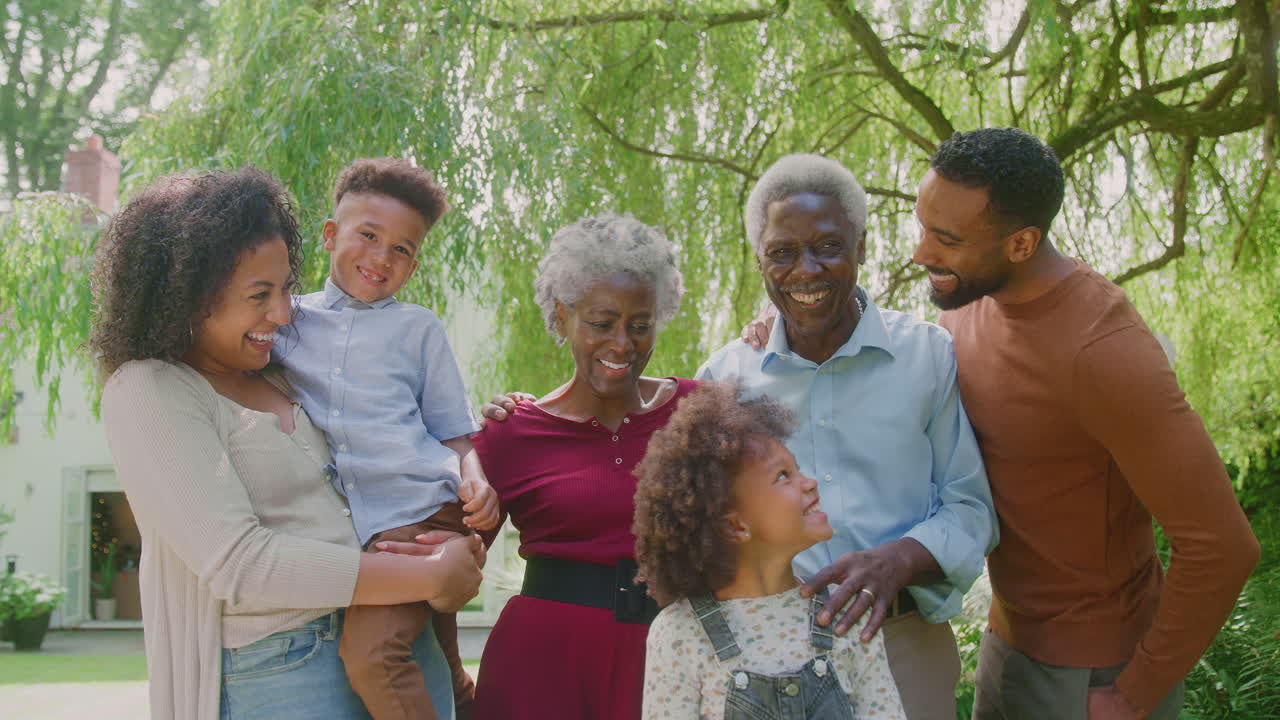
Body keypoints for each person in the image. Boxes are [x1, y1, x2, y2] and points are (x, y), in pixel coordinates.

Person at [92, 167, 484, 720]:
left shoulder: (283, 369)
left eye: (284, 288)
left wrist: (447, 544)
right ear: (189, 294)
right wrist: (428, 574)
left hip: (395, 644)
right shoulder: (150, 389)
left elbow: (398, 447)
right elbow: (239, 565)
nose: (283, 313)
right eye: (259, 294)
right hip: (289, 668)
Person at [911, 127, 1259, 719]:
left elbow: (1222, 546)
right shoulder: (969, 298)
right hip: (1007, 646)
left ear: (1022, 244)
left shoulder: (1105, 349)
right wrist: (789, 324)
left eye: (945, 238)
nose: (921, 253)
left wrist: (1134, 694)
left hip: (1093, 674)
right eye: (921, 226)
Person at [696, 153, 998, 719]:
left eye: (827, 247)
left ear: (860, 246)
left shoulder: (928, 357)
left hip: (903, 647)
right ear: (761, 260)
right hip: (766, 659)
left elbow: (971, 508)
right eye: (782, 253)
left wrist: (900, 561)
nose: (805, 270)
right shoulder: (727, 379)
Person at [271, 157, 498, 720]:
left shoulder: (418, 329)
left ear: (414, 263)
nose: (380, 257)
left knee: (374, 654)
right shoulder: (285, 323)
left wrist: (478, 484)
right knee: (442, 659)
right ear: (330, 235)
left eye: (401, 248)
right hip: (356, 525)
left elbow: (455, 433)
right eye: (367, 236)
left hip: (422, 512)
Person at [470, 213, 694, 720]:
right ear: (561, 315)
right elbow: (452, 569)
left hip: (670, 665)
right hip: (542, 672)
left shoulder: (696, 415)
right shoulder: (510, 432)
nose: (622, 344)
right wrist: (452, 680)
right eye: (601, 323)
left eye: (640, 326)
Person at [634, 380, 906, 720]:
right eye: (783, 476)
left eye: (798, 469)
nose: (809, 482)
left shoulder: (846, 614)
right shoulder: (679, 634)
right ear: (736, 526)